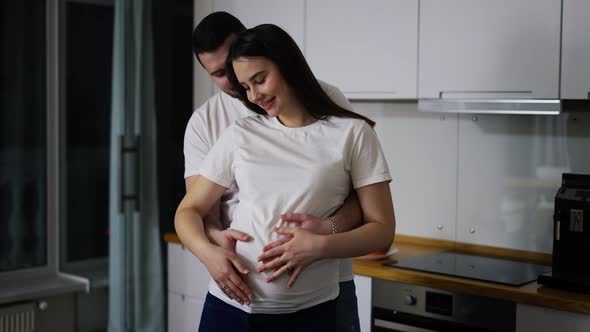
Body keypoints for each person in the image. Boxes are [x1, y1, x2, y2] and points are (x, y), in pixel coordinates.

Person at [176, 23, 395, 331]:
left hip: (312, 312)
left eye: (260, 79)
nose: (254, 95)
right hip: (231, 308)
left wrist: (318, 246)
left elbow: (382, 229)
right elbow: (188, 210)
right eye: (246, 86)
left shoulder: (351, 132)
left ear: (287, 64)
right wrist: (208, 252)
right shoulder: (239, 133)